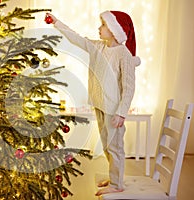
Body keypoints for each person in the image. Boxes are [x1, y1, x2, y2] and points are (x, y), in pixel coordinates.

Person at [45, 11, 141, 195]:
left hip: (114, 110)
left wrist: (122, 112)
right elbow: (77, 39)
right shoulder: (99, 47)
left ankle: (117, 184)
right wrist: (57, 22)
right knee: (106, 145)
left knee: (115, 146)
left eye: (103, 25)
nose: (100, 28)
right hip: (100, 105)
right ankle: (114, 178)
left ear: (114, 30)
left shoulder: (124, 54)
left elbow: (128, 87)